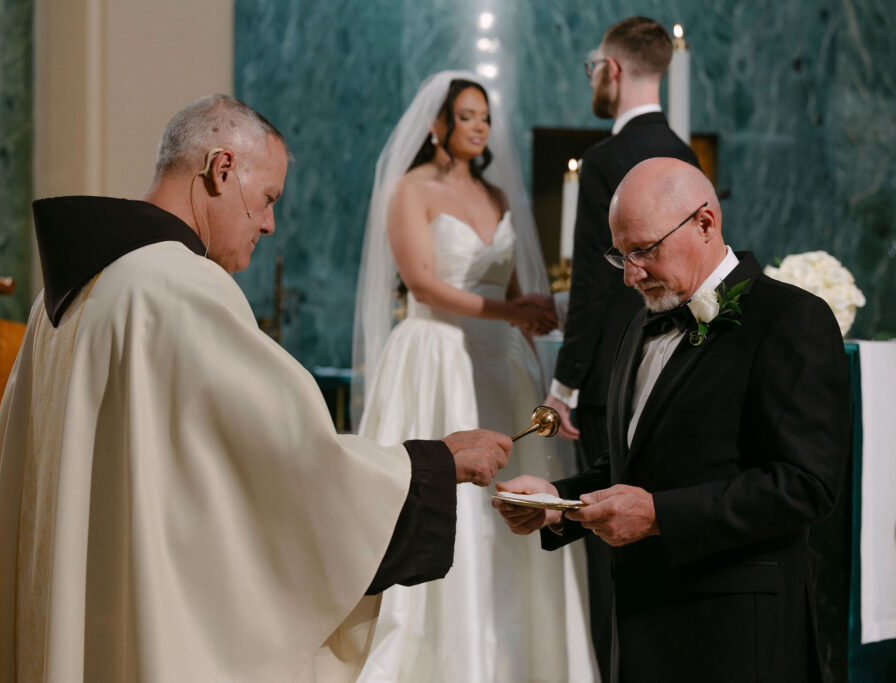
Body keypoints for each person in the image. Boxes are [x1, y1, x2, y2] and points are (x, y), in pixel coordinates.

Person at [0, 94, 515, 683]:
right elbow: (290, 462)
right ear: (221, 170)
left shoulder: (69, 290)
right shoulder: (176, 287)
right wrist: (431, 464)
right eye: (268, 197)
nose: (271, 223)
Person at [495, 157, 850, 682]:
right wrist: (556, 501)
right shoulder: (641, 324)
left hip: (736, 639)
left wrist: (660, 515)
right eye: (620, 255)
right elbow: (632, 462)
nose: (630, 274)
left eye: (644, 250)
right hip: (642, 634)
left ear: (705, 223)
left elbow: (805, 486)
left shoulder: (791, 319)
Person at [352, 71, 597, 682]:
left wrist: (534, 309)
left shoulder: (497, 199)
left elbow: (510, 286)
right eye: (466, 115)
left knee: (513, 495)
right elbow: (425, 282)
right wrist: (510, 310)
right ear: (438, 125)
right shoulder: (412, 189)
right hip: (435, 356)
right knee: (446, 499)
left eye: (484, 115)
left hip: (500, 362)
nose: (479, 125)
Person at [543, 17, 701, 678]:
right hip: (678, 370)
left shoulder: (607, 161)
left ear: (612, 70)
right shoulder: (686, 160)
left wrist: (564, 384)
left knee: (606, 537)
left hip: (613, 372)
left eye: (591, 69)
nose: (592, 80)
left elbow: (594, 290)